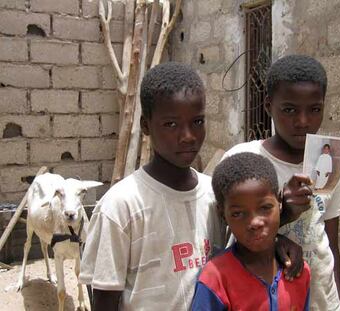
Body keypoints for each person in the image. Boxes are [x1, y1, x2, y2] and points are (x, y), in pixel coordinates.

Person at [79, 62, 303, 311]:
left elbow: (244, 244)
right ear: (145, 126)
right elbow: (104, 300)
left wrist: (278, 240)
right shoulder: (121, 206)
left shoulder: (214, 194)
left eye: (197, 122)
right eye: (171, 124)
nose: (188, 135)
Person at [223, 55, 340, 310]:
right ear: (268, 106)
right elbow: (229, 239)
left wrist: (338, 304)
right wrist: (282, 212)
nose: (303, 121)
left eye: (315, 109)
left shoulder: (330, 167)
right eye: (289, 110)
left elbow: (330, 245)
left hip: (320, 300)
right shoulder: (243, 161)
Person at [191, 152, 310, 311]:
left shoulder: (298, 272)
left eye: (265, 208)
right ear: (223, 215)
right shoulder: (216, 278)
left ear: (280, 201)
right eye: (238, 214)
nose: (255, 223)